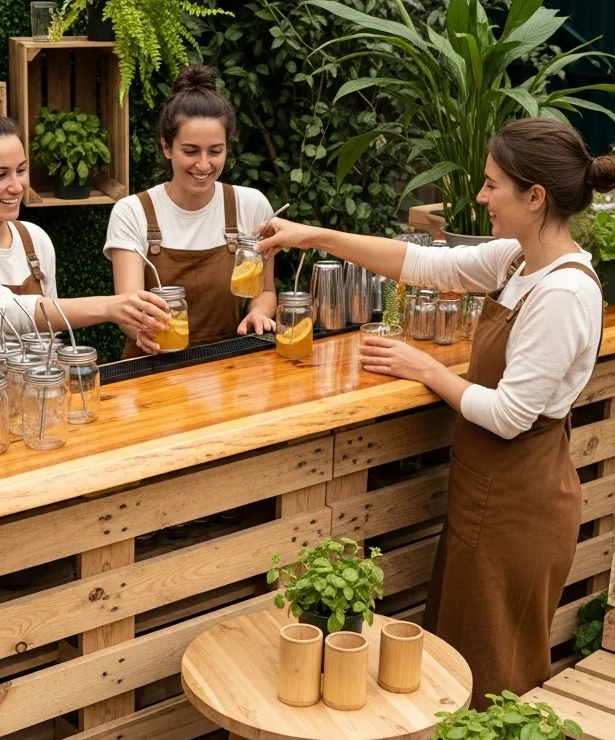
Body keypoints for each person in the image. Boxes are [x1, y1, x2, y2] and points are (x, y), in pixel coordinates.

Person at [256, 117, 615, 706]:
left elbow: (510, 415)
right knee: (455, 666)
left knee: (496, 677)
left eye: (492, 185)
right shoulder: (518, 262)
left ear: (535, 197)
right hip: (484, 494)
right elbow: (420, 264)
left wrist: (426, 368)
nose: (481, 196)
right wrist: (313, 236)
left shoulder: (563, 293)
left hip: (521, 507)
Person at [0, 93, 169, 351]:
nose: (17, 187)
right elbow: (2, 313)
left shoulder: (34, 240)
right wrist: (109, 306)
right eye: (0, 175)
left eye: (21, 170)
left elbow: (47, 335)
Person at [106, 65, 278, 357]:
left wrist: (258, 313)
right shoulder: (132, 212)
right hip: (153, 367)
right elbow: (129, 309)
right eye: (190, 151)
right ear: (166, 147)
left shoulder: (251, 205)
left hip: (228, 366)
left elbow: (265, 291)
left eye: (215, 151)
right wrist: (142, 330)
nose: (203, 164)